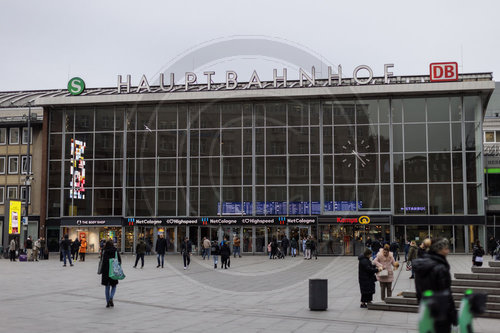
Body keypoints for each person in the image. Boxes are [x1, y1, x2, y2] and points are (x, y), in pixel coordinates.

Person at [413, 238, 457, 333]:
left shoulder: (421, 265)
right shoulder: (440, 268)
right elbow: (446, 294)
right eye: (446, 249)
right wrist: (453, 315)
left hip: (426, 310)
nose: (448, 251)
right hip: (441, 314)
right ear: (439, 250)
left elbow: (418, 290)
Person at [101, 240, 121, 308]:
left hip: (106, 270)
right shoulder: (115, 250)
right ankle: (111, 297)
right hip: (113, 270)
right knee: (114, 285)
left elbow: (102, 260)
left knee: (107, 286)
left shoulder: (104, 251)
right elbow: (119, 261)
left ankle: (107, 302)